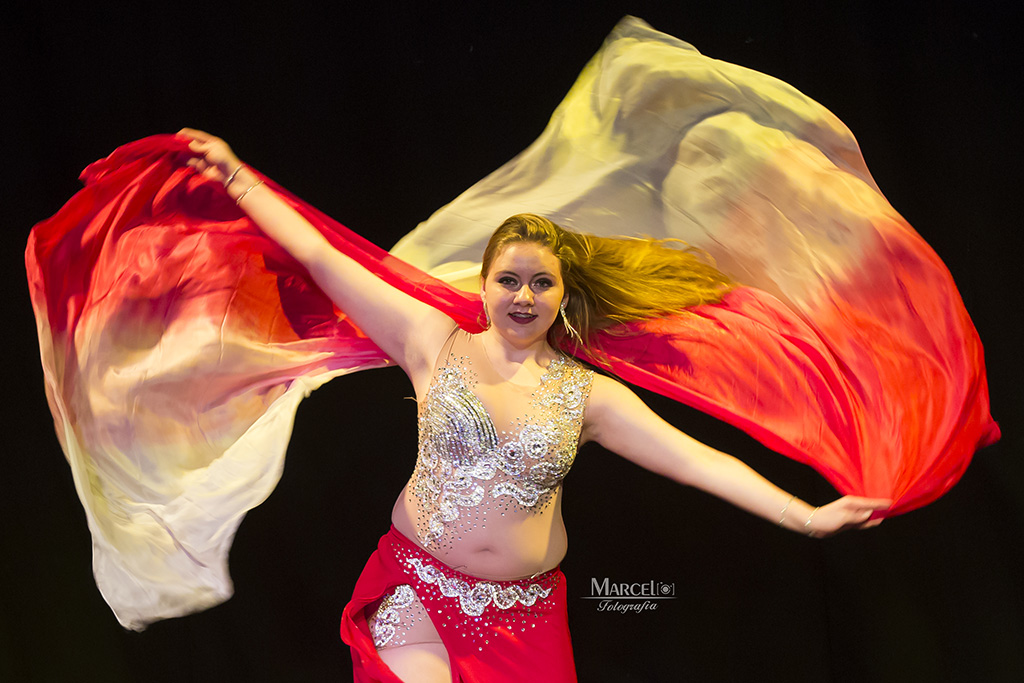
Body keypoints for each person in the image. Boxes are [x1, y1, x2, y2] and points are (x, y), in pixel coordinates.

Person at [179, 128, 892, 683]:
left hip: (526, 619)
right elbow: (322, 257)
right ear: (485, 285)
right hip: (416, 591)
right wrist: (238, 177)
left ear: (562, 296)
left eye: (541, 283)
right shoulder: (432, 341)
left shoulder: (590, 396)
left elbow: (697, 462)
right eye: (509, 280)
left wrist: (807, 515)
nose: (524, 296)